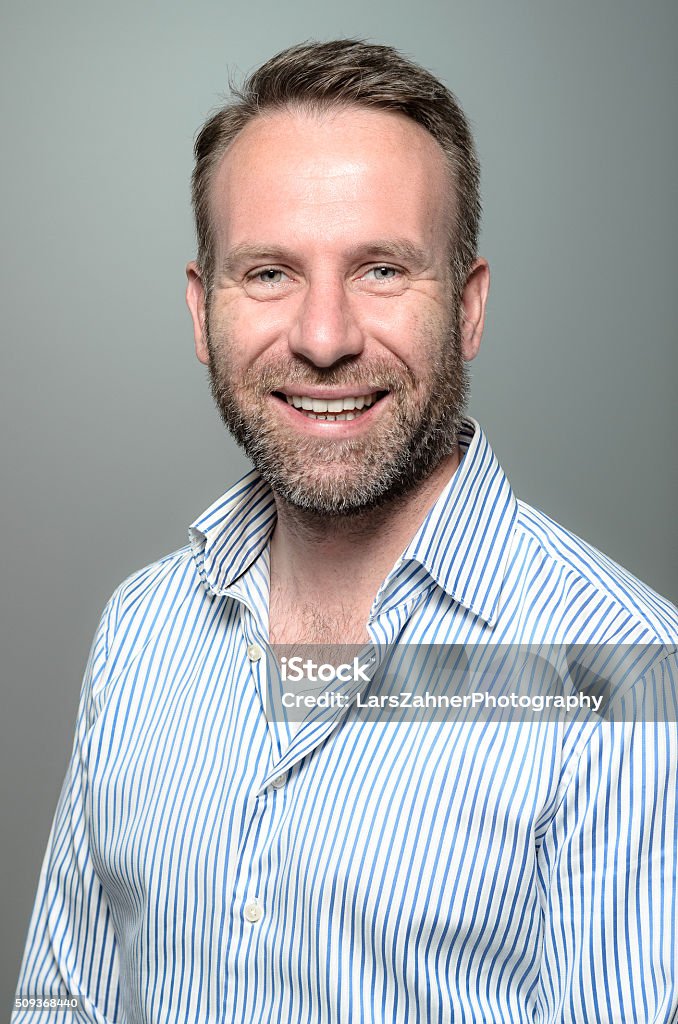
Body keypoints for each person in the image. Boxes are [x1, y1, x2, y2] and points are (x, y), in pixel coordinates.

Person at [13, 39, 677, 1024]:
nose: (325, 338)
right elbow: (63, 1000)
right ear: (204, 312)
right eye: (271, 273)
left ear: (469, 305)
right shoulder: (139, 631)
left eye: (380, 269)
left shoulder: (620, 676)